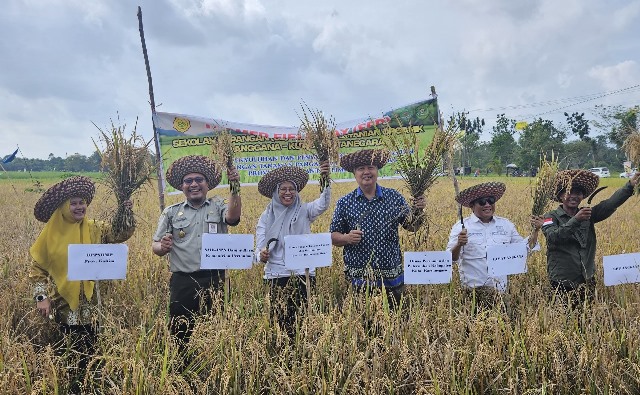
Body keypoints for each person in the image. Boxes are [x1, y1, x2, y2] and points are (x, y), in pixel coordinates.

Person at [29, 175, 135, 393]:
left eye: (82, 202)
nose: (79, 207)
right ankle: (73, 385)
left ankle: (96, 384)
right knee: (70, 350)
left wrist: (126, 210)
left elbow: (120, 234)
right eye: (73, 203)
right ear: (63, 207)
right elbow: (37, 271)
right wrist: (41, 298)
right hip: (64, 306)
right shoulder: (49, 234)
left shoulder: (97, 228)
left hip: (96, 305)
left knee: (96, 349)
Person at [152, 155, 241, 363]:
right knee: (180, 332)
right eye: (188, 181)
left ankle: (215, 368)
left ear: (207, 184)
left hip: (215, 279)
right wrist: (162, 247)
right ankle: (182, 372)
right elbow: (155, 246)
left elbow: (233, 217)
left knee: (216, 329)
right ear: (182, 186)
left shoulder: (218, 206)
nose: (194, 184)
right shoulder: (172, 212)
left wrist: (235, 186)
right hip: (183, 282)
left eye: (199, 180)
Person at [330, 149, 425, 308]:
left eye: (370, 167)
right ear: (354, 173)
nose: (366, 172)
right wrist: (347, 238)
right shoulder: (344, 203)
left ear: (377, 171)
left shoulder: (393, 197)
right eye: (361, 168)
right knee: (363, 323)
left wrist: (418, 210)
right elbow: (333, 236)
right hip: (359, 276)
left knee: (396, 321)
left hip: (391, 274)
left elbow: (411, 226)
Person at [542, 169, 640, 305]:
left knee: (587, 318)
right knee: (564, 320)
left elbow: (610, 204)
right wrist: (576, 220)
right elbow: (553, 237)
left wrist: (629, 185)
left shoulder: (588, 214)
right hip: (562, 280)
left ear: (582, 196)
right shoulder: (550, 217)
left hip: (587, 277)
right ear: (560, 196)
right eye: (569, 192)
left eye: (578, 193)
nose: (574, 196)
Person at [255, 162, 331, 337]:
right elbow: (258, 250)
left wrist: (325, 179)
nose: (288, 192)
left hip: (303, 274)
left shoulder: (304, 210)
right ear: (276, 192)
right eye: (283, 189)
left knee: (304, 320)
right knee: (279, 322)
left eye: (292, 189)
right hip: (276, 275)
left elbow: (323, 204)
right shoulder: (266, 217)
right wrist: (262, 255)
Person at [447, 182, 542, 309]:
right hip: (472, 294)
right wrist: (459, 244)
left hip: (500, 294)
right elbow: (450, 259)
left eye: (490, 200)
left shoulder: (506, 225)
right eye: (481, 202)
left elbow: (524, 250)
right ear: (472, 206)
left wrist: (535, 231)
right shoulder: (461, 227)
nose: (487, 205)